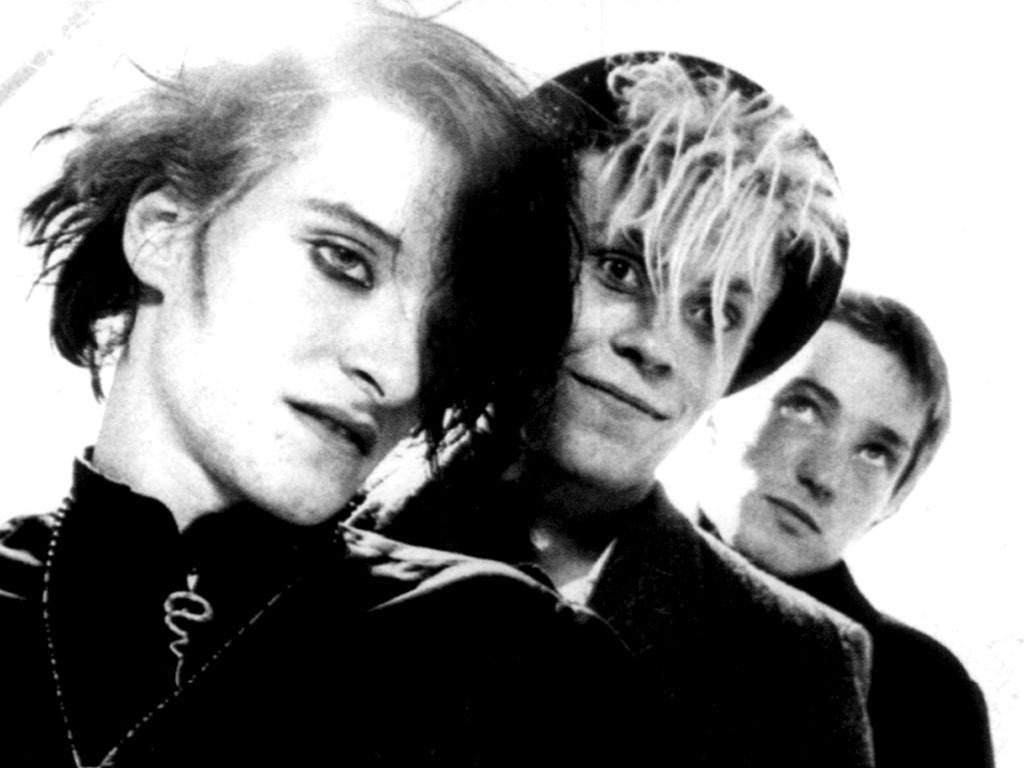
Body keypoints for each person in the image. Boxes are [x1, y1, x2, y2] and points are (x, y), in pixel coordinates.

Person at [0, 7, 640, 766]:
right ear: (163, 229)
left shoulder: (521, 665)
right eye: (343, 260)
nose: (399, 372)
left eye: (445, 330)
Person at [352, 52, 875, 767]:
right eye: (621, 269)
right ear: (525, 261)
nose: (655, 345)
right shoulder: (309, 517)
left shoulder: (795, 667)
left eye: (712, 313)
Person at [697, 290, 995, 767]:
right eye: (802, 408)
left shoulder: (925, 696)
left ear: (894, 500)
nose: (824, 476)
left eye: (874, 453)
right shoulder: (582, 573)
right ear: (720, 396)